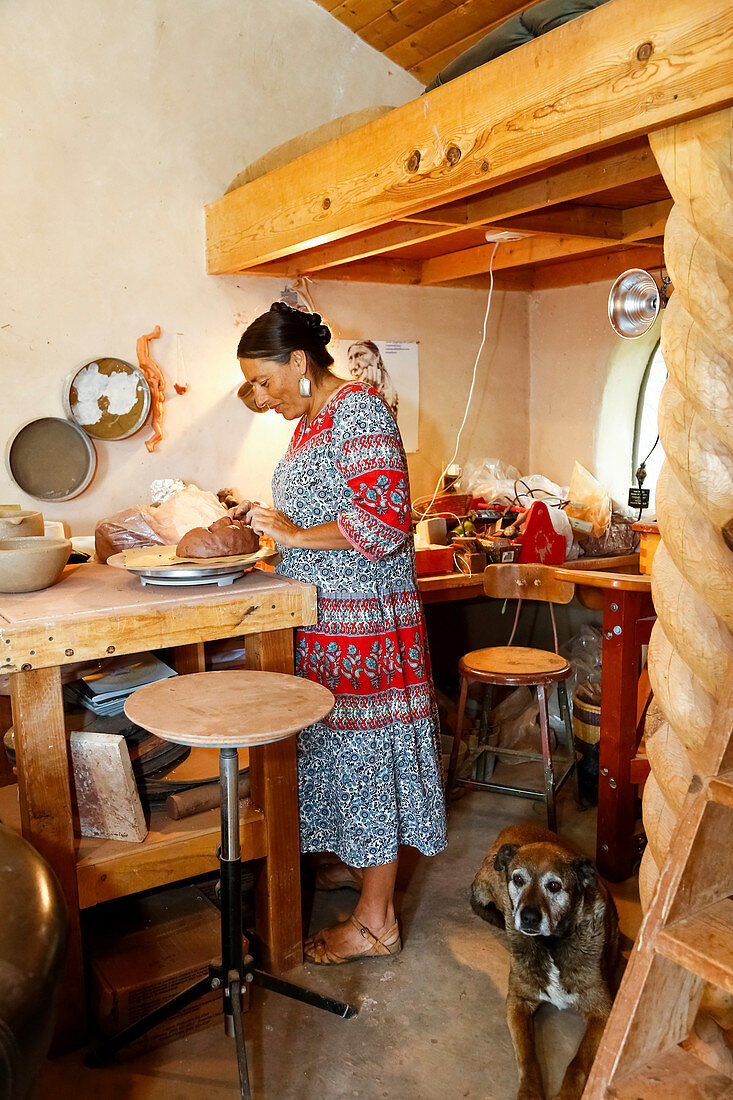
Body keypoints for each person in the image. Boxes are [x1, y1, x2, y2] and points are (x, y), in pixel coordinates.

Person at [234, 302, 446, 965]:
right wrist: (271, 527)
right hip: (324, 625)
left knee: (370, 761)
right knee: (333, 755)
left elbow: (384, 523)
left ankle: (377, 920)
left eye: (262, 381)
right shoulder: (308, 425)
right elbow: (324, 511)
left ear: (299, 363)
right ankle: (350, 861)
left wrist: (292, 534)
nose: (259, 397)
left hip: (366, 627)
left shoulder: (357, 411)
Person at [347, 340, 399, 419]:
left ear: (376, 356)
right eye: (350, 358)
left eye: (360, 355)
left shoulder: (390, 392)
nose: (354, 366)